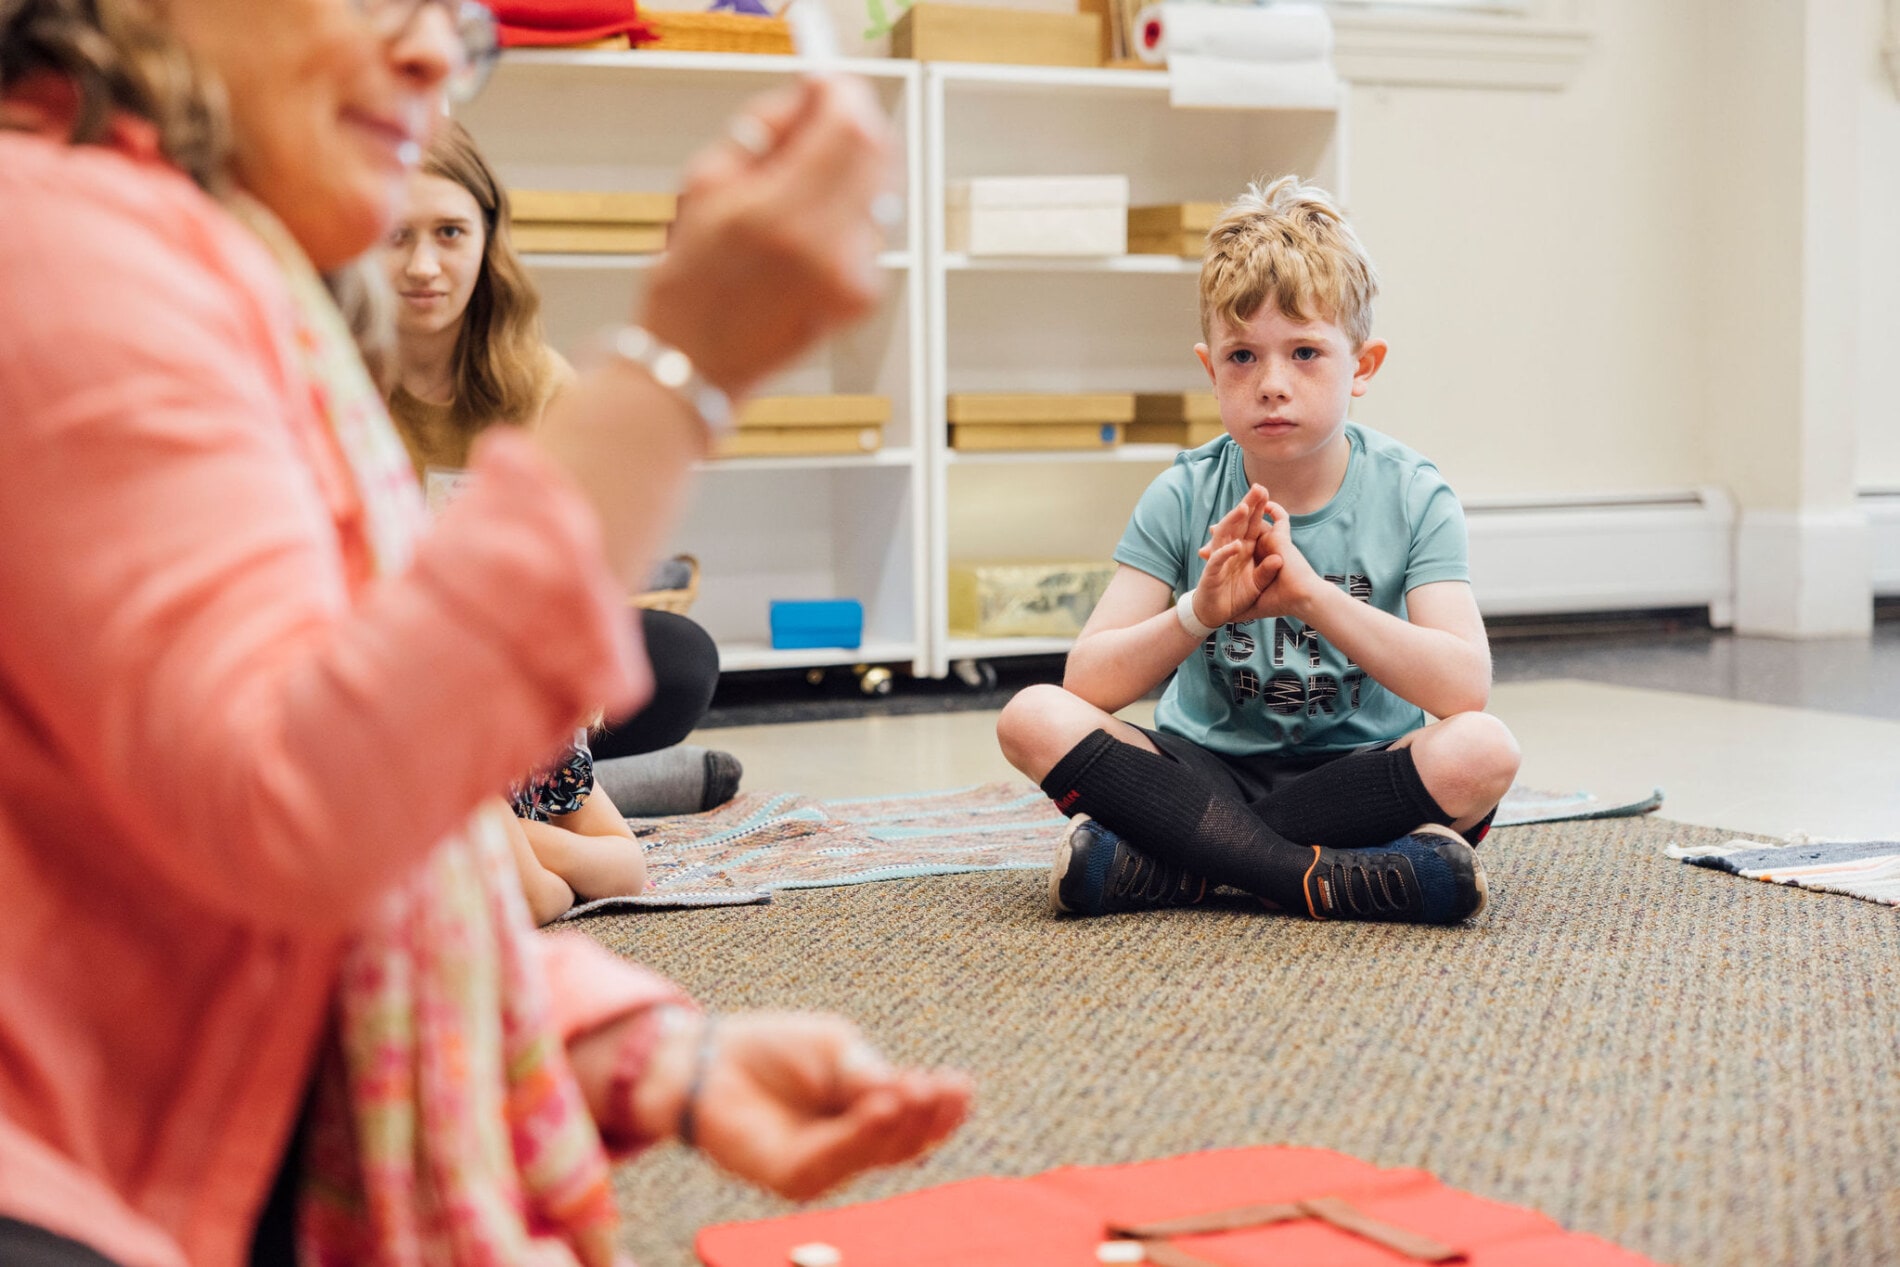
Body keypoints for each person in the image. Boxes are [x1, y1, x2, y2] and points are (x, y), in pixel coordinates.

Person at [0, 5, 968, 1267]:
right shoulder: (61, 243)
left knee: (659, 663)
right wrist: (683, 367)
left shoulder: (235, 272)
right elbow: (300, 806)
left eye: (454, 16)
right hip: (78, 1172)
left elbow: (309, 859)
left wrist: (638, 1047)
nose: (431, 55)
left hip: (168, 1110)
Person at [995, 175, 1521, 925]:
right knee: (1030, 715)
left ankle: (1183, 868)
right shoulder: (1181, 493)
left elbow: (1464, 688)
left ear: (1362, 367)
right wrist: (1197, 612)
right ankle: (1311, 876)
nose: (1273, 383)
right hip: (1205, 774)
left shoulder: (1413, 493)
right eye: (1243, 357)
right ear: (1211, 370)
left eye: (1305, 352)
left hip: (1358, 778)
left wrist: (1313, 597)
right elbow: (1087, 682)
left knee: (1484, 750)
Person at [380, 117, 741, 822]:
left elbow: (580, 570)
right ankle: (604, 791)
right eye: (398, 235)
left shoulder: (540, 379)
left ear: (487, 237)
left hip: (512, 663)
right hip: (388, 659)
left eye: (449, 233)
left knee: (677, 659)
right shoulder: (333, 375)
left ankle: (514, 790)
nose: (423, 266)